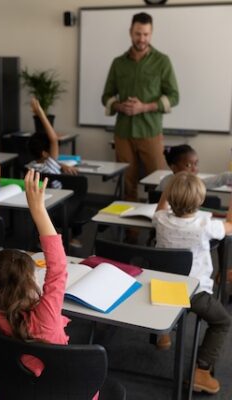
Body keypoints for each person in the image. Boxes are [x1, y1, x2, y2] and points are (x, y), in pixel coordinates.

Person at [0, 170, 98, 400]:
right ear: (30, 282)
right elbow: (57, 268)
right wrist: (38, 210)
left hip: (15, 392)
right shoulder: (44, 318)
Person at [153, 172, 232, 394]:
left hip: (161, 289)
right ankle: (202, 371)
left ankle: (163, 333)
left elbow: (160, 208)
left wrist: (170, 186)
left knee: (165, 299)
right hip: (193, 294)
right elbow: (230, 224)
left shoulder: (159, 220)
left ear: (169, 195)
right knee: (222, 322)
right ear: (200, 201)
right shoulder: (206, 224)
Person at [102, 12, 179, 202]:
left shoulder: (163, 61)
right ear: (130, 32)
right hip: (123, 133)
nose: (141, 39)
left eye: (146, 34)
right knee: (128, 183)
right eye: (138, 34)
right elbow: (106, 96)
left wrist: (144, 107)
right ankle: (130, 232)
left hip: (150, 132)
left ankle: (157, 230)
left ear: (151, 34)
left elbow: (174, 96)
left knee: (159, 182)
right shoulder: (118, 63)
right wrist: (120, 106)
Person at [26, 97, 78, 188]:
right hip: (58, 198)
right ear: (45, 153)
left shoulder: (30, 167)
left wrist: (61, 165)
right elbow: (53, 139)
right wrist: (40, 112)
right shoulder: (50, 165)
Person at [158, 144, 232, 191]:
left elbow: (219, 179)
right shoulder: (167, 183)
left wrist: (228, 176)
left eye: (196, 164)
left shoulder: (193, 181)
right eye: (188, 165)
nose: (194, 169)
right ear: (174, 167)